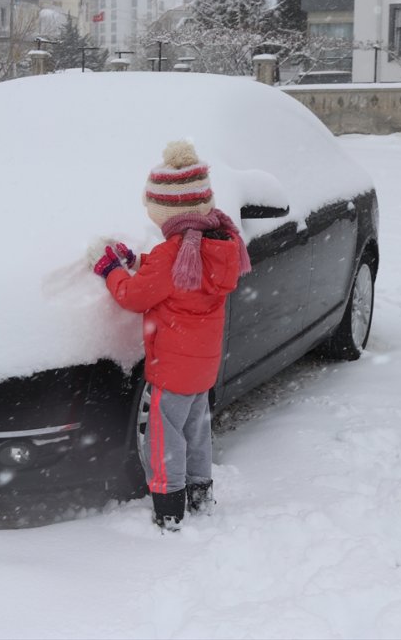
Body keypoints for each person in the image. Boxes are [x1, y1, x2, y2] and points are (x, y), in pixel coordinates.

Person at [89, 140, 251, 531]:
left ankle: (169, 507)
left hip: (171, 367)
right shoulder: (218, 244)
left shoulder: (172, 255)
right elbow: (177, 278)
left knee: (163, 438)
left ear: (168, 211)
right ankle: (200, 494)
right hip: (202, 366)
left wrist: (109, 268)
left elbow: (133, 295)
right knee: (197, 430)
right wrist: (139, 261)